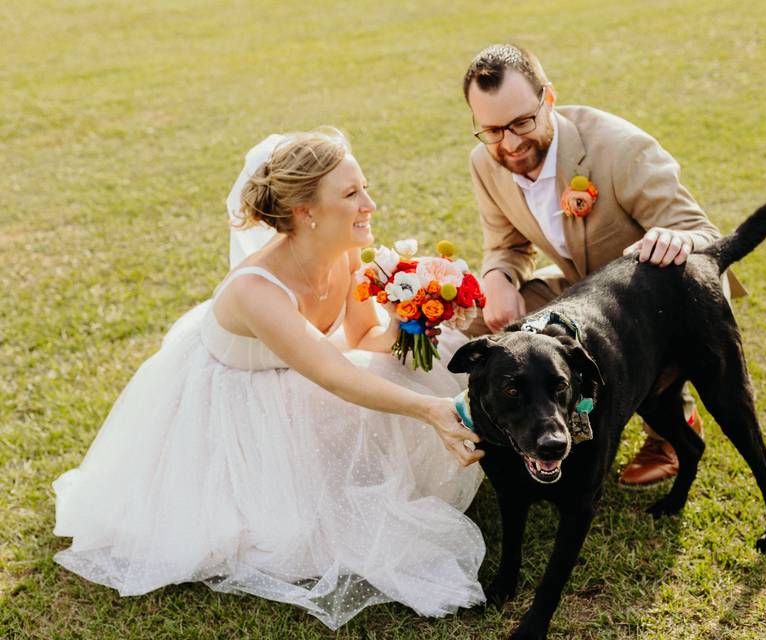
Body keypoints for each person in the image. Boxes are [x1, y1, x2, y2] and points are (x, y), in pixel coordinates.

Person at [53, 129, 487, 629]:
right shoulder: (256, 291)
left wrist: (409, 324)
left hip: (310, 377)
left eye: (363, 187)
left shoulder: (346, 249)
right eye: (351, 194)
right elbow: (333, 373)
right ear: (306, 212)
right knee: (293, 523)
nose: (369, 203)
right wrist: (432, 411)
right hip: (236, 402)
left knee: (405, 369)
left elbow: (363, 337)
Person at [462, 44, 746, 486]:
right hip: (577, 290)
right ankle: (507, 434)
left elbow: (702, 232)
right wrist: (498, 276)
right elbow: (506, 244)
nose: (511, 143)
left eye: (522, 122)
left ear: (548, 98)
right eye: (493, 130)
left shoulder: (620, 148)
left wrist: (677, 237)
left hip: (648, 307)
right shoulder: (486, 162)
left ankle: (670, 432)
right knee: (479, 320)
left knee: (650, 355)